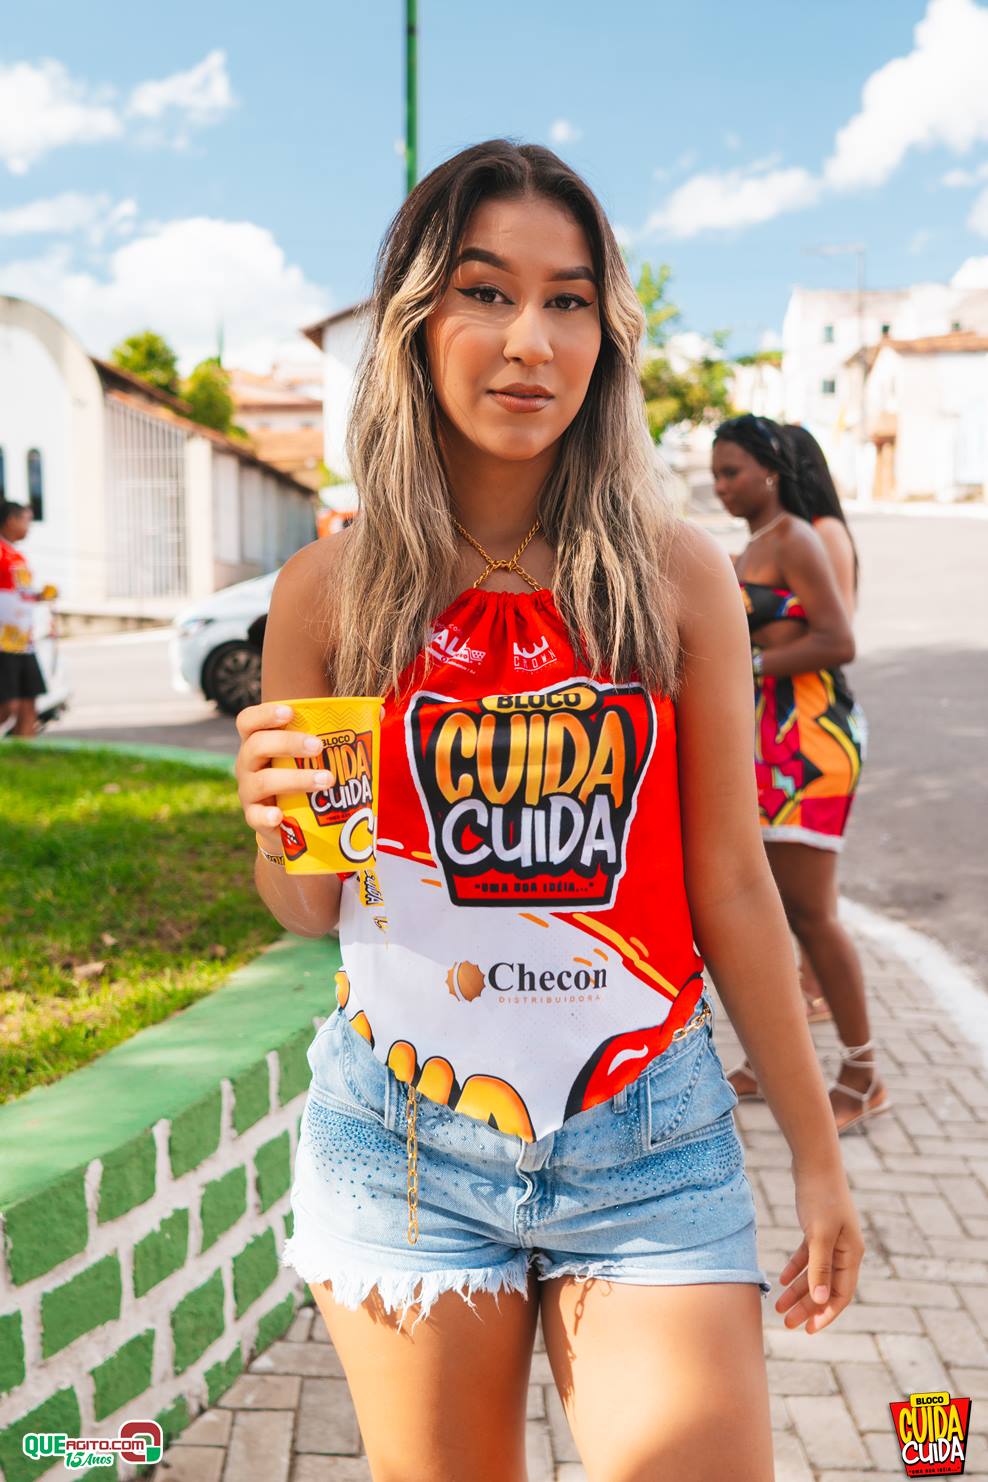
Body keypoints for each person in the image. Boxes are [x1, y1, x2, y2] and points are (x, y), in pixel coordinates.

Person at [235, 143, 863, 1482]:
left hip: (650, 1139)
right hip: (402, 1142)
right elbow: (309, 905)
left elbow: (732, 882)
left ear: (604, 337)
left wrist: (818, 1155)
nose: (530, 339)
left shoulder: (674, 576)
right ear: (417, 323)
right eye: (486, 292)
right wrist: (281, 823)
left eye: (568, 301)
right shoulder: (330, 594)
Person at [711, 414, 888, 1138]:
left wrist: (746, 664)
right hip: (765, 748)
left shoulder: (796, 539)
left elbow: (838, 638)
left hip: (809, 746)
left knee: (812, 916)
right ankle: (767, 1062)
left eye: (731, 473)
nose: (721, 487)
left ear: (770, 471)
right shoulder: (752, 546)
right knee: (772, 913)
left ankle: (863, 1075)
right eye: (715, 475)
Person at [783, 423, 864, 1024]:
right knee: (804, 887)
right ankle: (808, 988)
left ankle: (817, 993)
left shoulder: (821, 532)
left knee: (812, 894)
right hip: (787, 722)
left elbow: (835, 630)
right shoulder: (791, 532)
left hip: (817, 720)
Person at [0, 501, 55, 738]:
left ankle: (23, 754)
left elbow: (20, 593)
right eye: (26, 520)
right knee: (6, 705)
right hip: (3, 642)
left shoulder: (16, 555)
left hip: (23, 641)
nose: (29, 527)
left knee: (28, 703)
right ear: (10, 520)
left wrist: (41, 596)